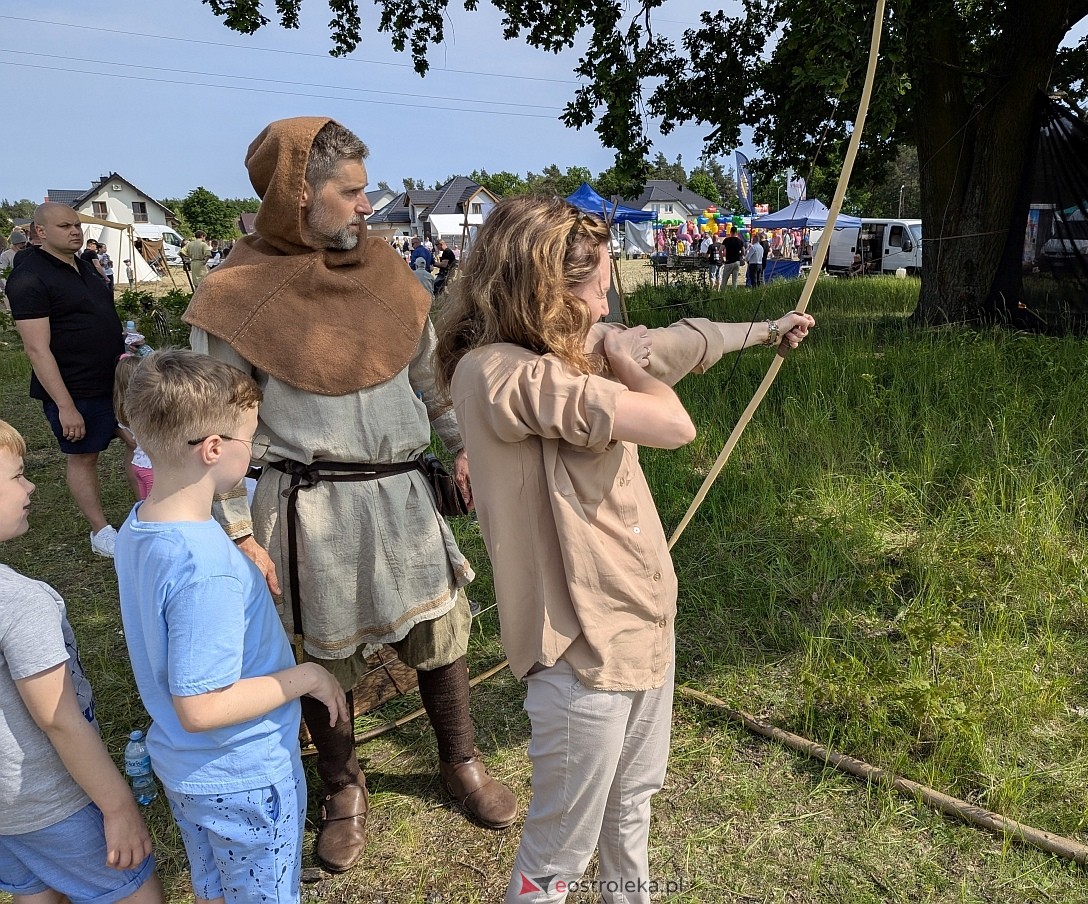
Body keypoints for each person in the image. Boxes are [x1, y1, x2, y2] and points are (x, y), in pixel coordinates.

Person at [435, 196, 815, 904]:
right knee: (555, 856)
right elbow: (672, 423)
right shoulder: (497, 374)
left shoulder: (575, 354)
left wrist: (768, 329)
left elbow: (678, 342)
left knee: (631, 803)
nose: (607, 296)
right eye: (597, 283)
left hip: (642, 621)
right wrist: (619, 355)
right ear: (546, 288)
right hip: (579, 652)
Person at [182, 117, 517, 874]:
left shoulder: (390, 274)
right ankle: (342, 786)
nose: (369, 205)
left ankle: (459, 761)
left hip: (401, 494)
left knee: (440, 630)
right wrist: (237, 529)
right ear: (299, 196)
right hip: (307, 507)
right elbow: (215, 424)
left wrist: (460, 448)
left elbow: (430, 382)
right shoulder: (235, 295)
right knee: (320, 656)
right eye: (352, 191)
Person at [114, 350, 347, 904]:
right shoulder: (205, 569)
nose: (255, 450)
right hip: (242, 773)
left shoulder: (139, 525)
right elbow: (203, 706)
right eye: (250, 440)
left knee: (216, 889)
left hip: (187, 769)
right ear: (214, 448)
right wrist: (307, 677)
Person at [0, 417, 164, 904]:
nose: (31, 485)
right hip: (50, 800)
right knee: (136, 892)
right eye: (15, 476)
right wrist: (117, 808)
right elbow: (60, 720)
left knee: (35, 889)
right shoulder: (20, 603)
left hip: (6, 814)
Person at [6, 203, 126, 557]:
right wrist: (65, 407)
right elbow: (37, 348)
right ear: (40, 232)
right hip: (76, 387)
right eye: (65, 226)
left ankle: (155, 514)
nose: (76, 231)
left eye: (77, 225)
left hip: (116, 380)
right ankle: (100, 530)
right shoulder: (29, 277)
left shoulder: (86, 265)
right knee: (85, 456)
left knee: (143, 443)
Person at [113, 355, 154, 500]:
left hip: (137, 464)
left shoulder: (122, 410)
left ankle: (139, 521)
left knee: (144, 503)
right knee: (156, 506)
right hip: (152, 466)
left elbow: (131, 439)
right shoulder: (147, 411)